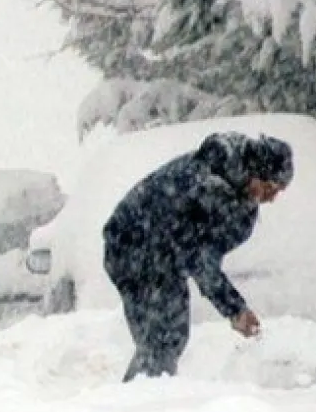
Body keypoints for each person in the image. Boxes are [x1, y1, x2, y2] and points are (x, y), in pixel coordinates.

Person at [102, 131, 294, 382]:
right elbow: (201, 261)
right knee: (161, 340)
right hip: (131, 247)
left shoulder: (241, 204)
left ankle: (145, 396)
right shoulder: (203, 181)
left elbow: (206, 255)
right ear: (255, 173)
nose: (271, 198)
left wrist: (233, 308)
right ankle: (135, 406)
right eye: (270, 187)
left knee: (172, 337)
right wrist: (235, 310)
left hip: (166, 256)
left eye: (278, 191)